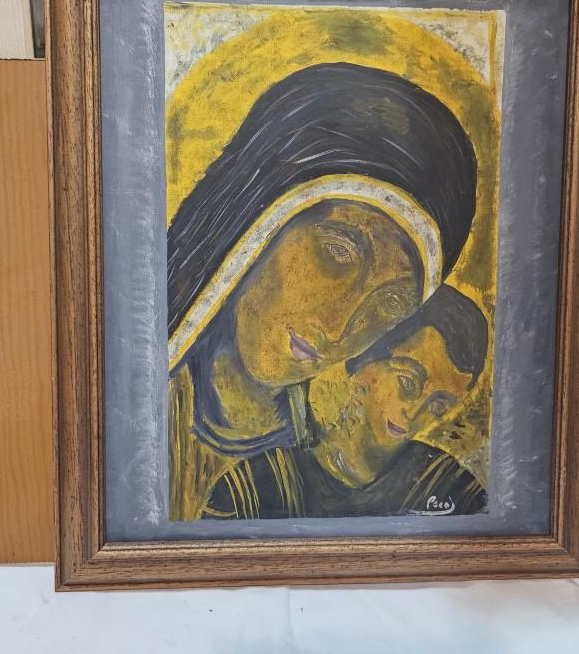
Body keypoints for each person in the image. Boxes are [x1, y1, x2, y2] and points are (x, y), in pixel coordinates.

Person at [167, 63, 481, 519]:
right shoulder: (132, 411)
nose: (339, 329)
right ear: (261, 220)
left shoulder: (321, 457)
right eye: (338, 252)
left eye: (391, 303)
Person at [199, 285, 489, 520]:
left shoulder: (451, 487)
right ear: (364, 362)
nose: (415, 412)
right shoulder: (250, 490)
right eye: (408, 383)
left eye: (438, 404)